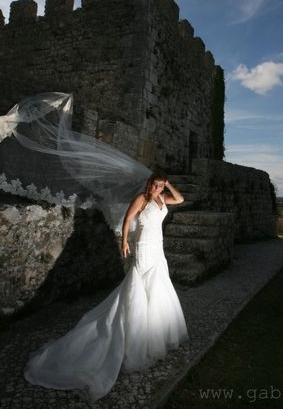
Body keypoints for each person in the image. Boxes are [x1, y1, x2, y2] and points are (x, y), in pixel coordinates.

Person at [23, 169, 189, 401]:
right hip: (143, 246)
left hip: (157, 247)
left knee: (158, 285)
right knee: (137, 286)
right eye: (155, 184)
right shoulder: (142, 198)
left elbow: (180, 199)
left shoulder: (163, 198)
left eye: (161, 186)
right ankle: (131, 337)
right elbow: (129, 219)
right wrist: (124, 242)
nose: (157, 188)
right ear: (149, 183)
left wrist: (169, 184)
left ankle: (153, 334)